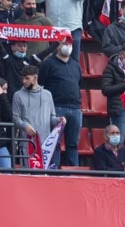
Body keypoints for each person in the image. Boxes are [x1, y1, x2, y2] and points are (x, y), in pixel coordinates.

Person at [38, 38, 82, 167]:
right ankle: (54, 170)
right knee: (54, 142)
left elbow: (79, 83)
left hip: (75, 108)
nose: (67, 46)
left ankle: (74, 172)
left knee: (73, 144)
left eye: (69, 44)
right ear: (57, 46)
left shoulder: (75, 65)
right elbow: (41, 84)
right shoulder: (48, 64)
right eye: (64, 43)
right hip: (56, 107)